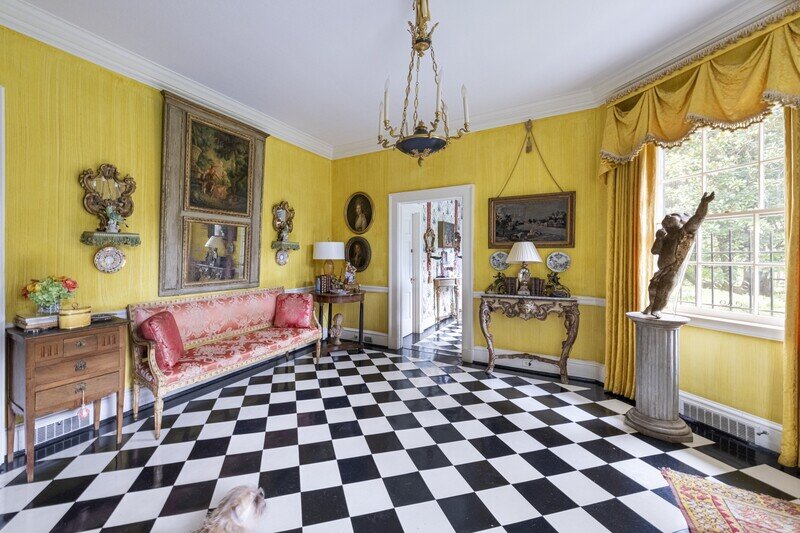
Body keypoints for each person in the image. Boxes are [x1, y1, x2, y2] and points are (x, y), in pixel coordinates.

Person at [643, 192, 715, 318]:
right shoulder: (665, 237)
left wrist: (703, 203)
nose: (667, 216)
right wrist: (659, 239)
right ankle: (651, 305)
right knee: (653, 288)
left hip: (673, 268)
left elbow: (698, 217)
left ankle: (657, 309)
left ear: (682, 222)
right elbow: (655, 251)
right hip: (661, 269)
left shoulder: (684, 233)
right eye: (666, 217)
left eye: (673, 216)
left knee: (665, 288)